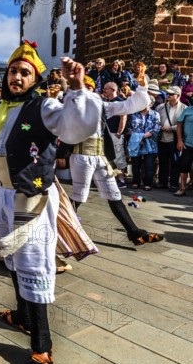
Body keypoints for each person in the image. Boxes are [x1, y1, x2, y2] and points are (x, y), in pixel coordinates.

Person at [0, 41, 104, 364]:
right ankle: (22, 317)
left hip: (32, 197)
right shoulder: (0, 108)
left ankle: (42, 346)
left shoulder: (46, 107)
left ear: (35, 78)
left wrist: (77, 89)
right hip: (5, 194)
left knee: (33, 264)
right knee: (11, 257)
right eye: (13, 71)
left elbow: (75, 127)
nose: (16, 77)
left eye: (24, 72)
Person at [69, 74, 163, 246]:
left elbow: (129, 105)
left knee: (114, 193)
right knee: (79, 196)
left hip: (100, 157)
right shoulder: (72, 107)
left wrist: (142, 87)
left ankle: (134, 233)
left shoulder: (103, 107)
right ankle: (60, 232)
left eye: (91, 90)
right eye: (85, 90)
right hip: (81, 156)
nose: (89, 93)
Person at [174, 105, 193, 196]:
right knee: (184, 166)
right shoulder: (187, 110)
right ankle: (182, 188)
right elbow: (179, 125)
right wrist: (180, 140)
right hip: (187, 144)